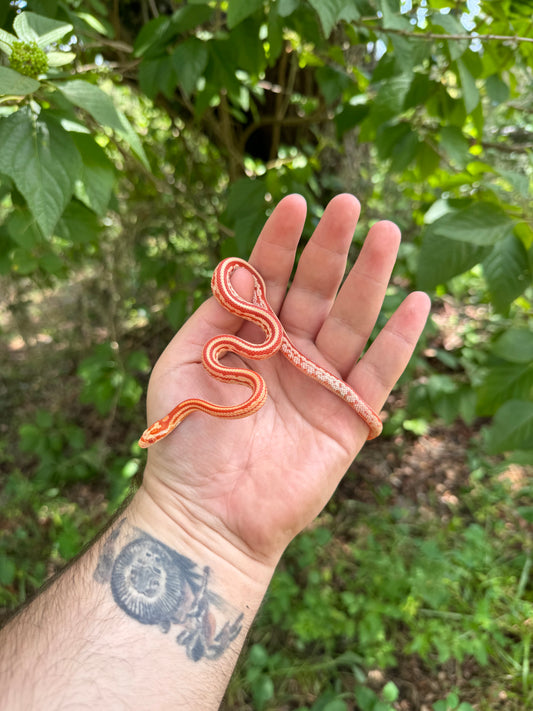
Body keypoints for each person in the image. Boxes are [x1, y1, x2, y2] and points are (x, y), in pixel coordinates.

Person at [0, 194, 430, 710]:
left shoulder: (226, 367)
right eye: (153, 435)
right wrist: (193, 520)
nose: (150, 437)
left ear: (164, 427)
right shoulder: (215, 392)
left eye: (153, 433)